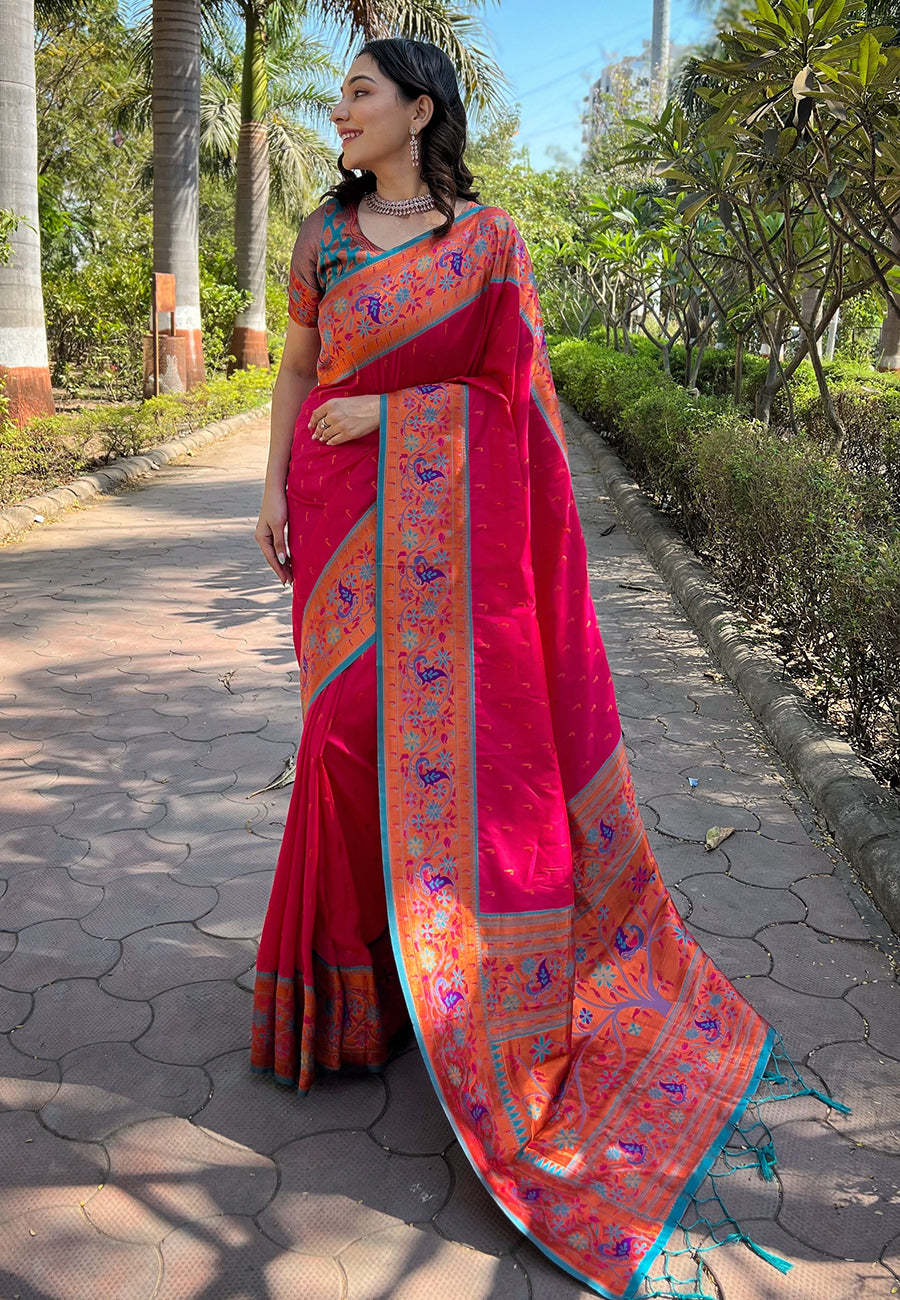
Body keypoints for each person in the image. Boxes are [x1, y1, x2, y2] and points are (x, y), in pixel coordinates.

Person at [251, 37, 801, 1300]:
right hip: (338, 519)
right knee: (342, 745)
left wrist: (396, 413)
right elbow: (293, 370)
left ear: (417, 111)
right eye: (340, 94)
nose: (339, 110)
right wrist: (271, 490)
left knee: (452, 762)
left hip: (449, 527)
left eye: (359, 93)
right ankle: (351, 1002)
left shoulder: (491, 239)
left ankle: (455, 980)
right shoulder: (322, 237)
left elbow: (513, 398)